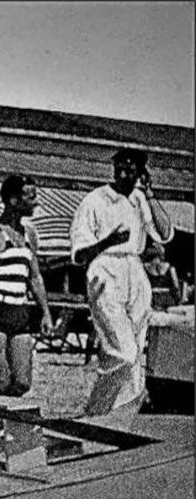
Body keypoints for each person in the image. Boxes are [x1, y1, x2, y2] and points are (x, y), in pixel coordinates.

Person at [70, 148, 173, 415]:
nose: (124, 174)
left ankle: (122, 415)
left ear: (141, 173)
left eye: (131, 170)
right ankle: (96, 411)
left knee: (137, 354)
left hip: (135, 271)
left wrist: (149, 193)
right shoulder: (94, 201)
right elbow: (79, 256)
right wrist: (109, 241)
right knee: (122, 351)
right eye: (120, 168)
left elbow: (164, 233)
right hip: (105, 268)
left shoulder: (140, 199)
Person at [0, 175, 54, 397]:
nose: (36, 202)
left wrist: (46, 313)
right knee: (1, 379)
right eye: (31, 196)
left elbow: (35, 277)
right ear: (13, 200)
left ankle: (5, 424)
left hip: (19, 311)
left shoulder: (29, 235)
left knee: (22, 382)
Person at [142, 241, 181, 310]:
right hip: (168, 299)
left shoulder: (144, 267)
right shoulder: (169, 267)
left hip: (151, 299)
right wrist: (178, 300)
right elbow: (176, 287)